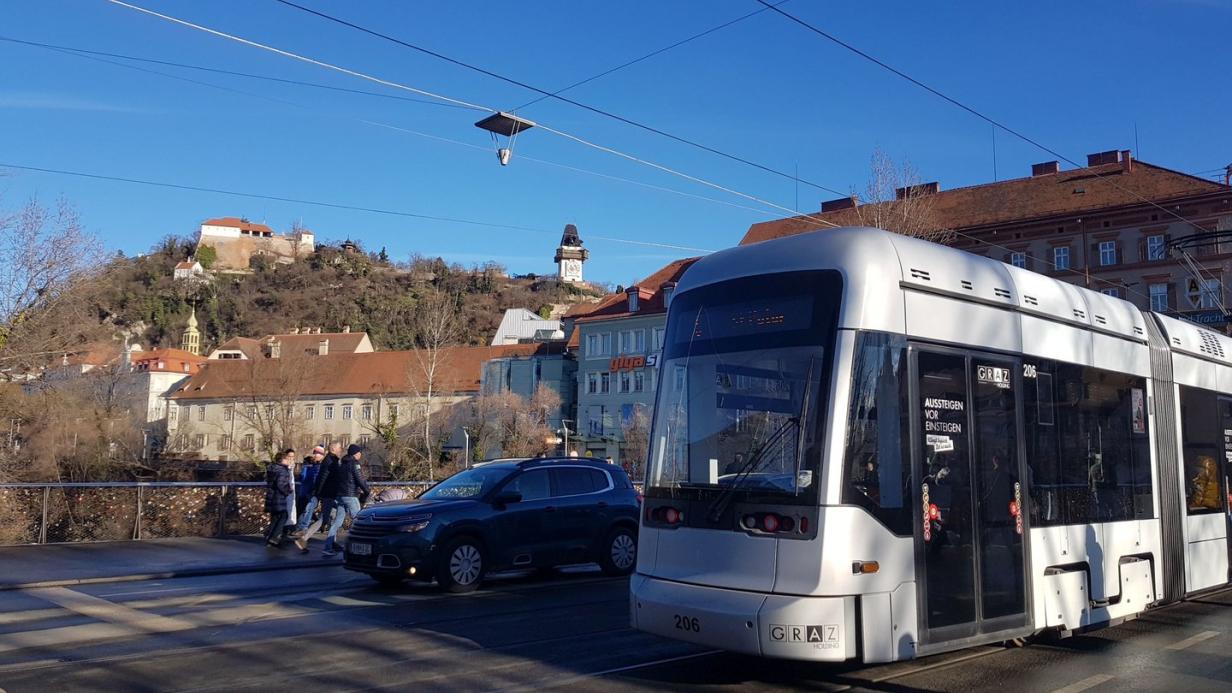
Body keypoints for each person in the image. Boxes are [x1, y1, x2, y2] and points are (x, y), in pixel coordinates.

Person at [321, 444, 371, 557]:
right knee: (359, 520)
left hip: (340, 496)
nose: (360, 454)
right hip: (350, 496)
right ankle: (358, 548)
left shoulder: (342, 463)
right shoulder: (354, 464)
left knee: (337, 522)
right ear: (355, 453)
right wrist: (367, 491)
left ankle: (327, 547)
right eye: (359, 452)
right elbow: (360, 480)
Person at [294, 442, 343, 553]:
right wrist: (319, 493)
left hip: (329, 493)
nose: (341, 449)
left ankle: (331, 542)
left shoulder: (331, 460)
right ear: (334, 449)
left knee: (332, 517)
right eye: (340, 447)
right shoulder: (330, 461)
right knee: (325, 519)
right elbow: (323, 478)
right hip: (328, 494)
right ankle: (304, 539)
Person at [263, 448, 295, 548]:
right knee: (284, 516)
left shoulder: (272, 468)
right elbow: (281, 484)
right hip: (279, 498)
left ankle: (269, 539)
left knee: (274, 518)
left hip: (271, 496)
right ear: (282, 460)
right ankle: (274, 537)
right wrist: (288, 490)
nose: (288, 461)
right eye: (286, 459)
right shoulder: (283, 470)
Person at [294, 446, 326, 527]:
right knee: (305, 510)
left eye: (317, 454)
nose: (315, 456)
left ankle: (303, 527)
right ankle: (301, 527)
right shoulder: (313, 466)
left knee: (307, 509)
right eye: (314, 453)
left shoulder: (318, 466)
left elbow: (306, 478)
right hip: (306, 492)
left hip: (312, 492)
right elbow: (303, 478)